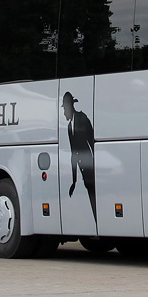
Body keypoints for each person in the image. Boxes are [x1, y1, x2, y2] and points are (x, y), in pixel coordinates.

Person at [63, 91, 97, 224]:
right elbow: (73, 155)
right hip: (84, 170)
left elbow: (92, 142)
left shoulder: (82, 118)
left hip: (91, 168)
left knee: (95, 198)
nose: (64, 112)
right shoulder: (69, 127)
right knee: (91, 197)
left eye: (65, 108)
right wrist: (74, 181)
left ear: (70, 106)